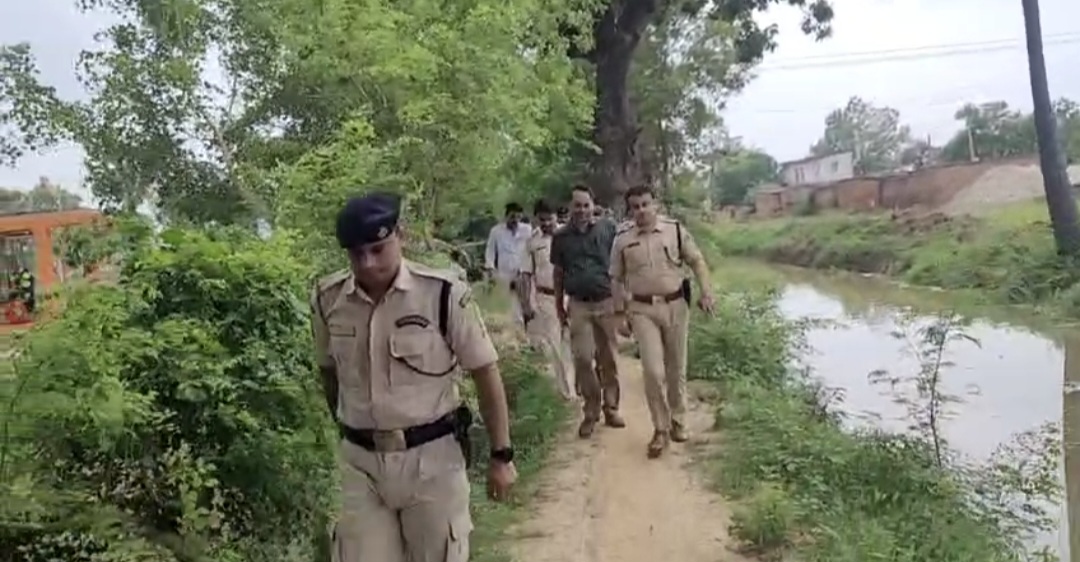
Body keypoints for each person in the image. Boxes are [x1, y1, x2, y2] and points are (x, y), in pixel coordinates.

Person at [311, 192, 517, 562]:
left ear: (400, 235)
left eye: (378, 249)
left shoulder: (442, 294)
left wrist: (501, 455)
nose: (368, 263)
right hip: (360, 464)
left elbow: (484, 371)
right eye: (356, 254)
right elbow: (329, 373)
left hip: (432, 461)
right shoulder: (329, 300)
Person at [610, 184, 716, 459]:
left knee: (676, 368)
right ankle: (660, 428)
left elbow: (697, 261)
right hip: (642, 310)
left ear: (655, 204)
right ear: (630, 210)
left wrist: (706, 292)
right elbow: (616, 279)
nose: (641, 210)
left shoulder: (674, 230)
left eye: (646, 204)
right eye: (635, 206)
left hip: (675, 306)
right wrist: (619, 313)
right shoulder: (622, 239)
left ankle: (678, 421)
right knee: (653, 371)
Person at [550, 185, 624, 438]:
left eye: (585, 205)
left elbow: (620, 263)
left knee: (609, 358)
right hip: (578, 304)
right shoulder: (561, 237)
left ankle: (611, 407)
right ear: (570, 207)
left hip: (606, 301)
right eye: (577, 205)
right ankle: (591, 411)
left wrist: (623, 299)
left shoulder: (608, 228)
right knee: (582, 359)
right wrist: (558, 305)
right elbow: (558, 272)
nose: (581, 210)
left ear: (593, 205)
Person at [518, 199, 575, 400]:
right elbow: (526, 274)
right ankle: (567, 392)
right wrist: (526, 303)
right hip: (546, 298)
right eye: (542, 220)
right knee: (555, 345)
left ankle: (581, 385)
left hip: (571, 296)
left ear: (555, 217)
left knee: (575, 342)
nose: (546, 223)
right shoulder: (532, 242)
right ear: (536, 219)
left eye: (549, 219)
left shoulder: (568, 235)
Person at [484, 202, 532, 326]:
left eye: (518, 217)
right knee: (510, 308)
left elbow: (532, 250)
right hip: (505, 275)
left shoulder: (527, 230)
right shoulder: (496, 231)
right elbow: (490, 252)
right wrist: (491, 270)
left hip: (523, 275)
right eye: (512, 217)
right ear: (506, 216)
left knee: (527, 306)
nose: (515, 220)